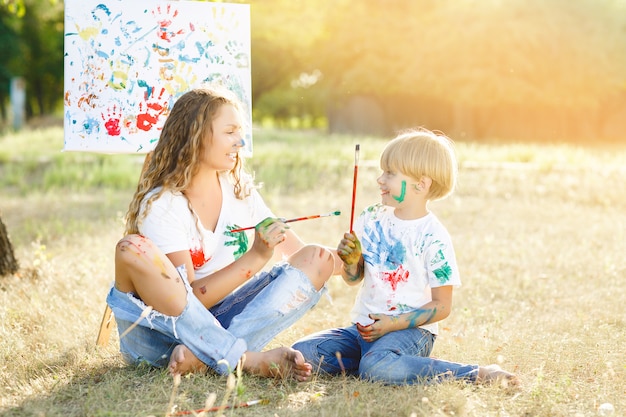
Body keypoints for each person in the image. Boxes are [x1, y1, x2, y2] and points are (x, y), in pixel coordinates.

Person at [106, 86, 339, 381]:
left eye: (239, 132)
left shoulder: (239, 189)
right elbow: (187, 302)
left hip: (223, 321)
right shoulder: (163, 205)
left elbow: (296, 252)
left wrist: (349, 262)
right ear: (197, 135)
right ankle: (244, 360)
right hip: (162, 336)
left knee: (316, 258)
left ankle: (204, 359)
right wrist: (256, 256)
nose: (240, 141)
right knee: (131, 247)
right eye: (230, 132)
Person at [292, 128, 518, 386]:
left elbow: (442, 305)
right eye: (382, 171)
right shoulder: (372, 217)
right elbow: (353, 279)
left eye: (390, 173)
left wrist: (393, 323)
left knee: (379, 367)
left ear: (421, 184)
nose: (380, 179)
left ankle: (476, 374)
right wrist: (352, 261)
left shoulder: (433, 236)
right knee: (303, 352)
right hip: (362, 330)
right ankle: (375, 362)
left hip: (410, 332)